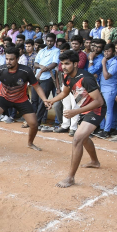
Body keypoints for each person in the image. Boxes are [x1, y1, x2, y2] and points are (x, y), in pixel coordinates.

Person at [45, 50, 106, 188]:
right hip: (84, 109)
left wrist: (75, 111)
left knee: (78, 138)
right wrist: (52, 101)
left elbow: (99, 101)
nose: (63, 67)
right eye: (62, 64)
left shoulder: (86, 78)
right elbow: (65, 93)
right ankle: (95, 162)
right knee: (83, 138)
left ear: (76, 63)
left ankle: (70, 178)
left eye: (67, 64)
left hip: (96, 110)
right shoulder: (67, 76)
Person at [0, 47, 49, 156]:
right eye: (7, 59)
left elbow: (37, 87)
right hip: (4, 98)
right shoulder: (0, 70)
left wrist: (45, 99)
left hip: (21, 99)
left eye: (11, 59)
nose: (8, 61)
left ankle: (30, 143)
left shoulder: (26, 71)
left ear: (17, 59)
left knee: (34, 124)